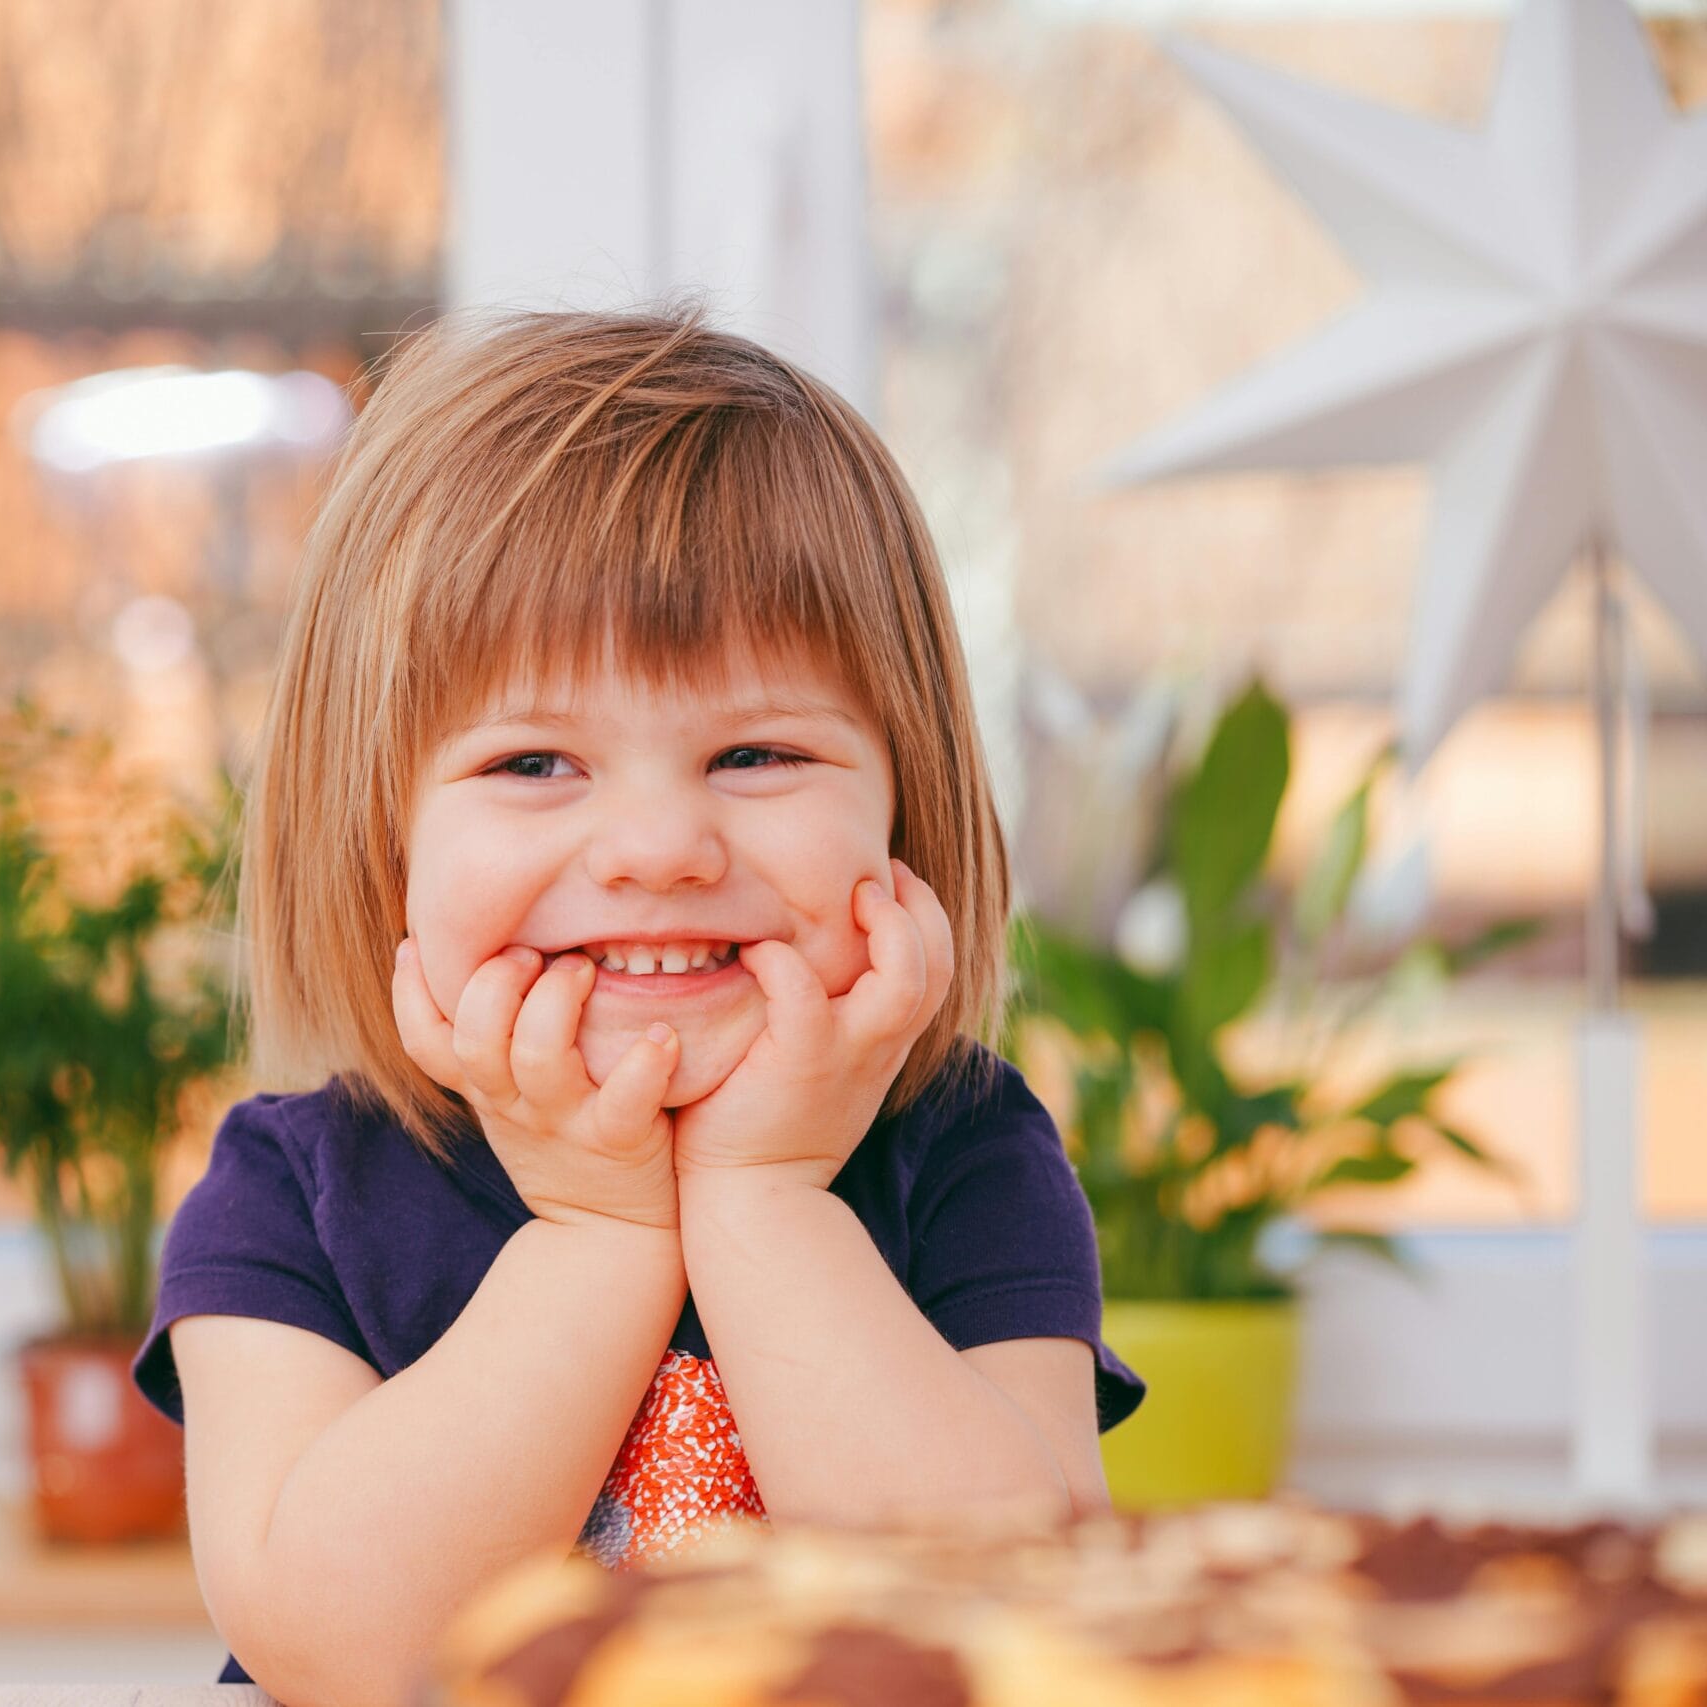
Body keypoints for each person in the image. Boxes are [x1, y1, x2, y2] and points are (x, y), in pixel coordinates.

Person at [128, 303, 1144, 1705]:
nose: (660, 848)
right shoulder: (292, 1192)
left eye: (756, 751)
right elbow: (347, 1655)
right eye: (536, 763)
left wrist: (765, 1201)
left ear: (906, 811)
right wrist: (600, 1233)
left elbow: (1011, 1627)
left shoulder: (966, 1151)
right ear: (383, 842)